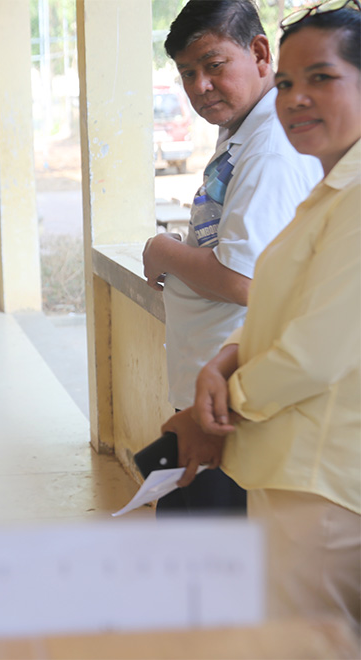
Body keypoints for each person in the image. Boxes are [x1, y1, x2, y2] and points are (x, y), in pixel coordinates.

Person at [164, 0, 360, 629]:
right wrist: (226, 358)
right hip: (285, 465)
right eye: (289, 85)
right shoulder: (328, 189)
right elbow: (285, 303)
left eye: (322, 79)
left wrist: (216, 408)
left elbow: (315, 354)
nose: (297, 99)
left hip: (321, 480)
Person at [142, 0, 324, 517]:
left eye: (214, 65)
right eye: (187, 73)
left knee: (203, 549)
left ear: (261, 53)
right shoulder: (244, 133)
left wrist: (163, 251)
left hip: (232, 399)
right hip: (211, 387)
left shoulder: (270, 147)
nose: (200, 85)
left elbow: (245, 279)